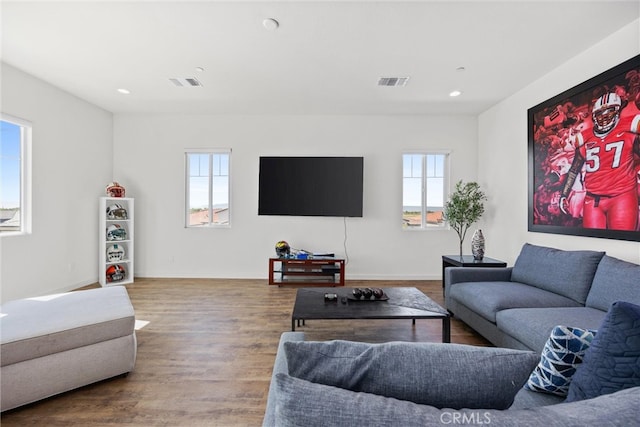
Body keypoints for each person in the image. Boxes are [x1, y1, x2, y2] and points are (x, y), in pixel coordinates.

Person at [560, 92, 640, 230]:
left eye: (609, 111)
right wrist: (564, 194)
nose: (604, 116)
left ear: (618, 111)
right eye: (600, 113)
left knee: (622, 244)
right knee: (591, 246)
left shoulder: (629, 128)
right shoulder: (585, 137)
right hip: (592, 199)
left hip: (622, 195)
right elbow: (574, 170)